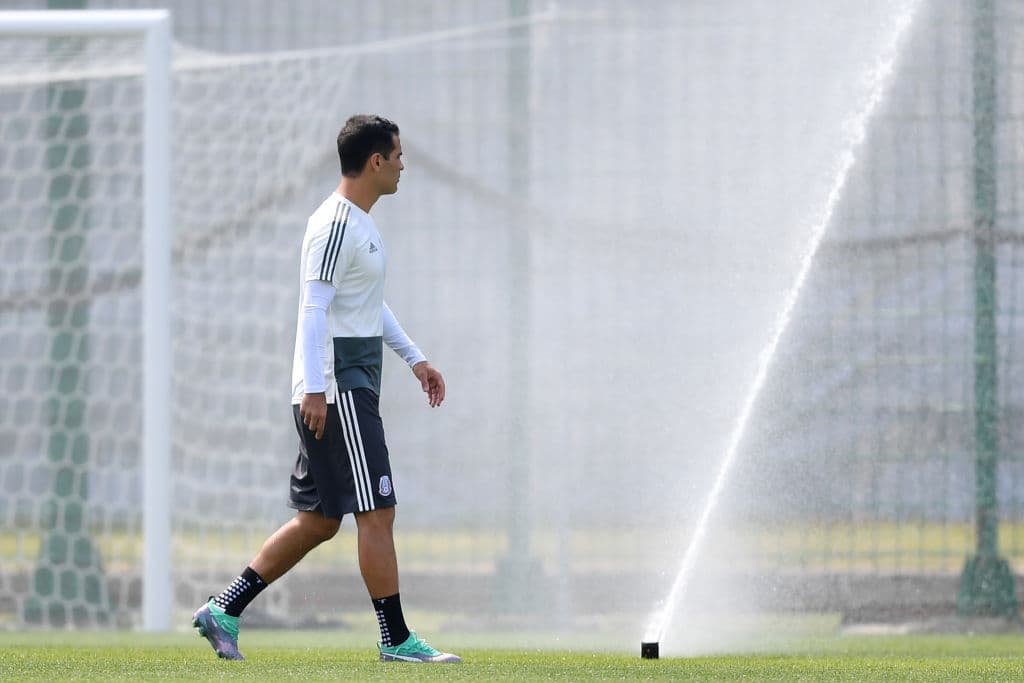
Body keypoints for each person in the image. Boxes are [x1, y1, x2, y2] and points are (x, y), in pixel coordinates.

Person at [192, 114, 460, 664]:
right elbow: (314, 305)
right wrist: (318, 389)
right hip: (337, 389)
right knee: (377, 511)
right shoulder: (334, 223)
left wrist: (416, 359)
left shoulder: (360, 224)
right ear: (376, 161)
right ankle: (396, 639)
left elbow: (365, 304)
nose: (405, 165)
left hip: (344, 384)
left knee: (319, 520)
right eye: (399, 155)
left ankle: (223, 609)